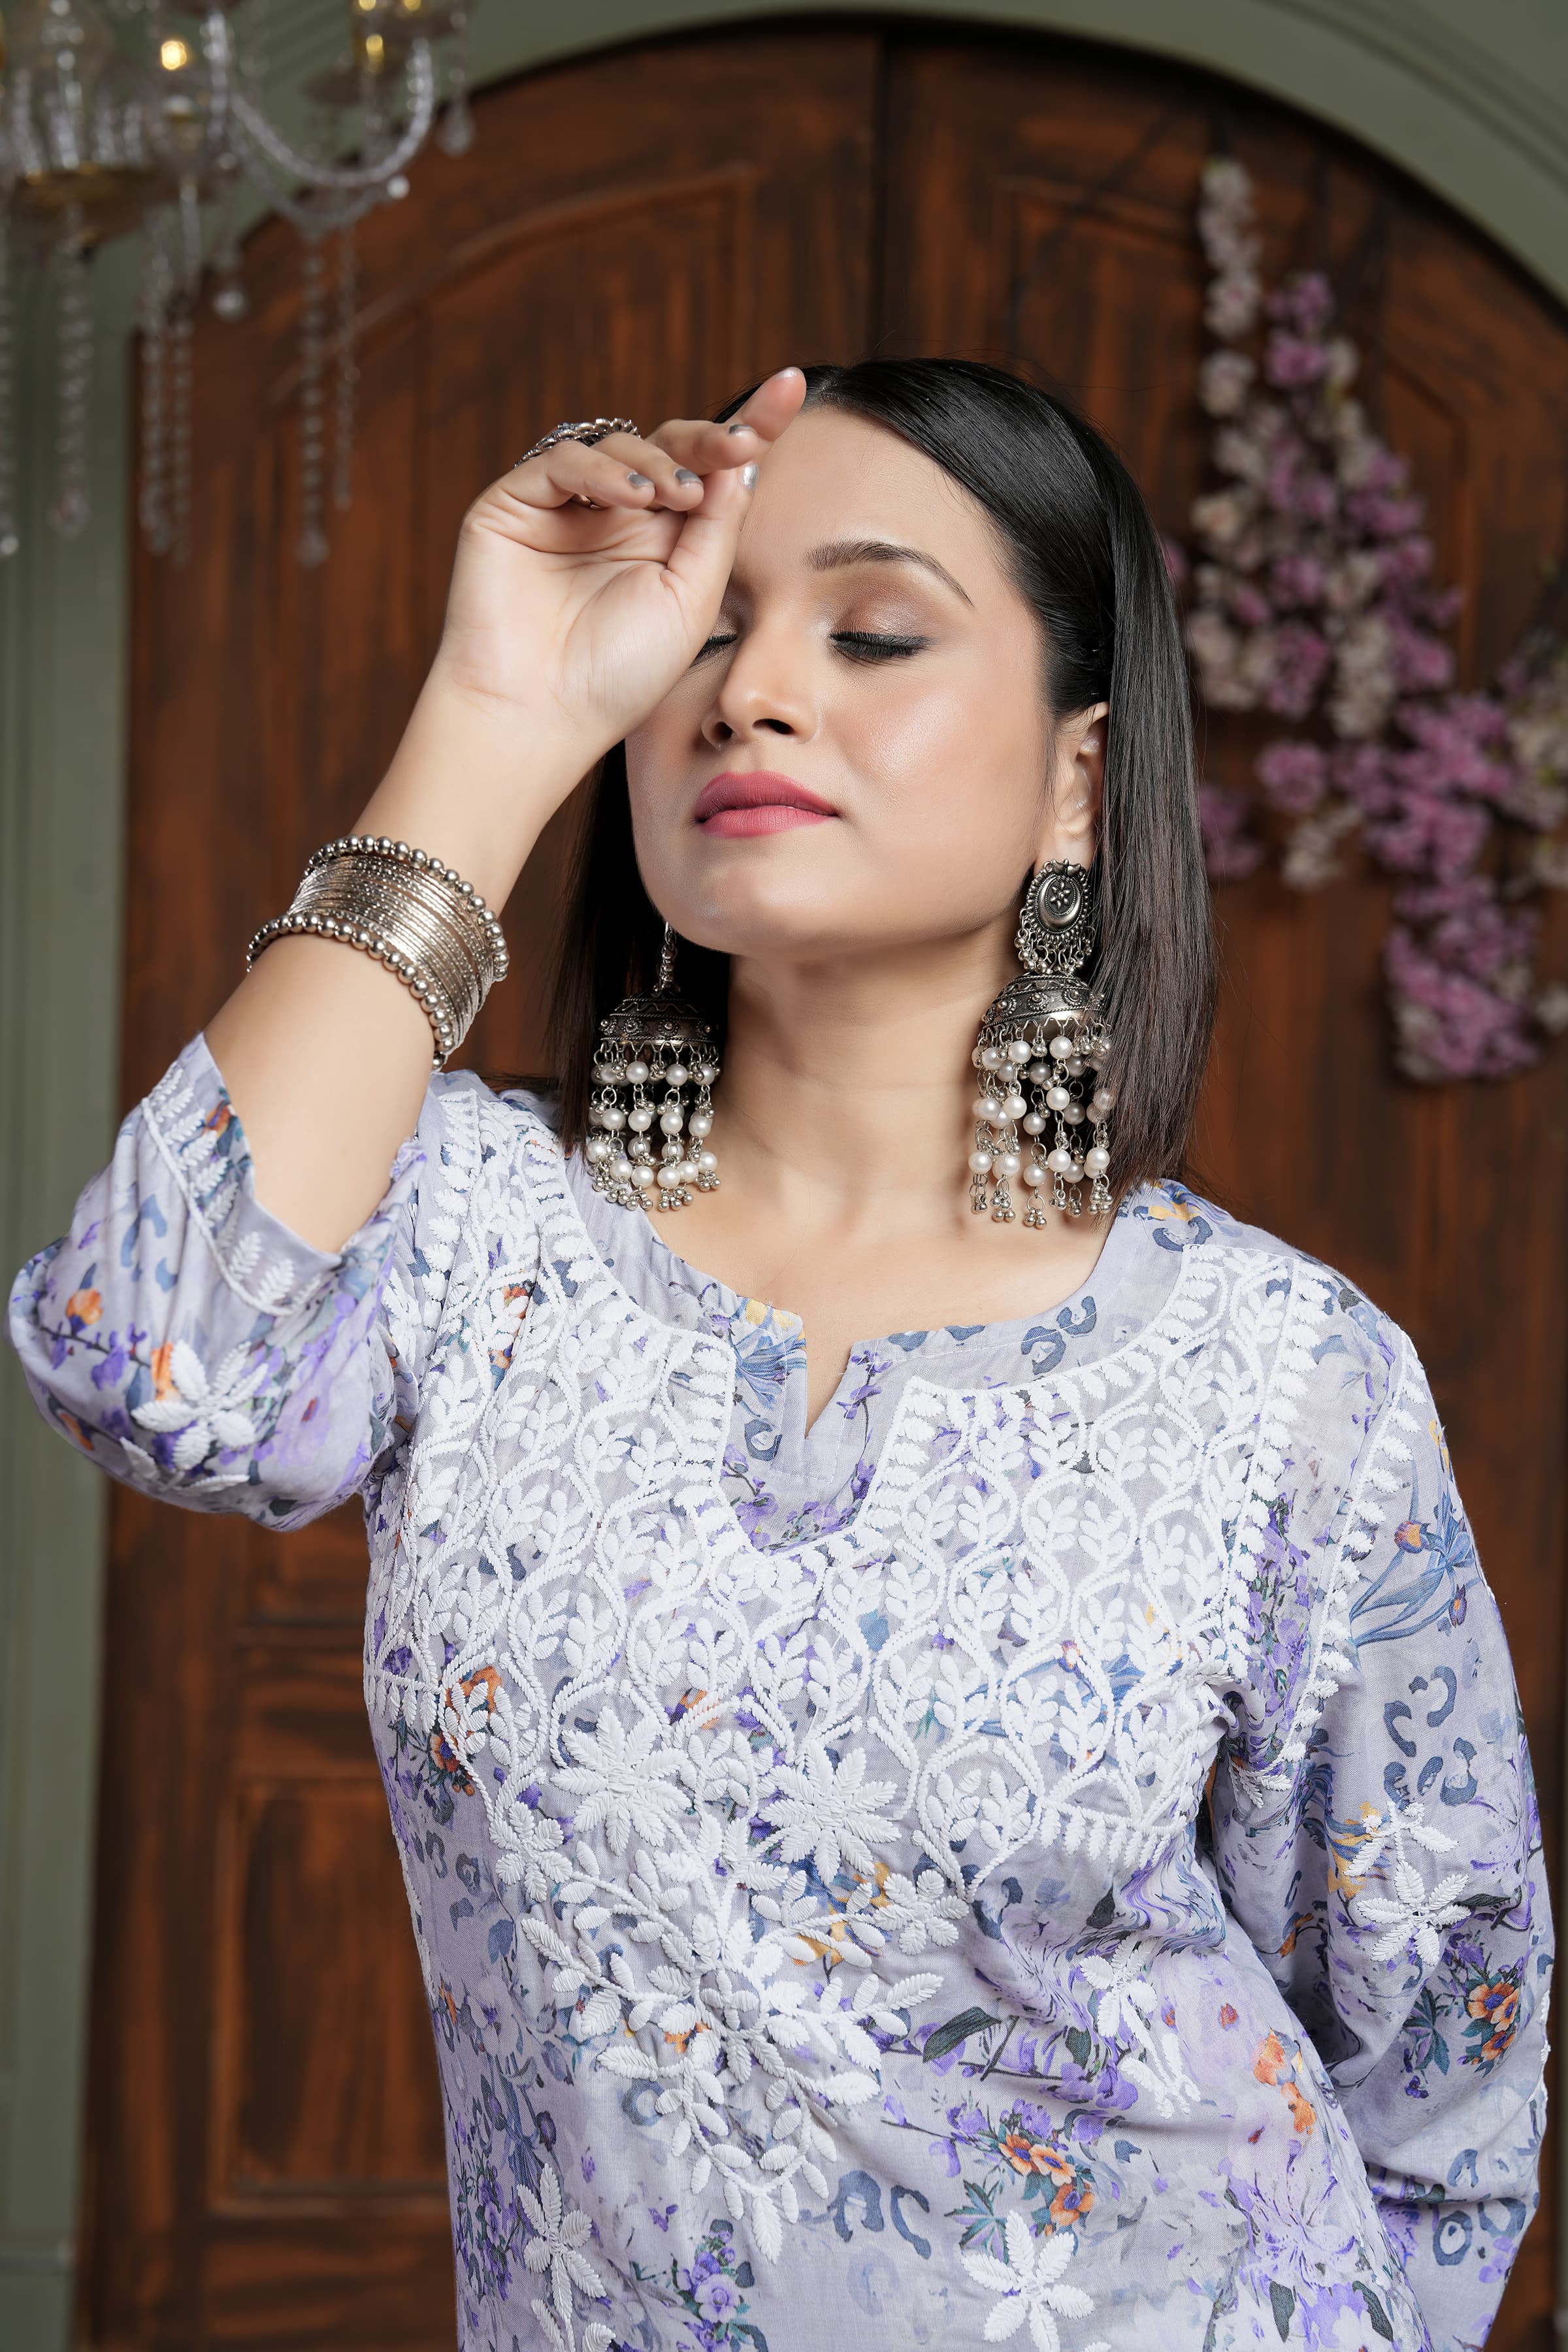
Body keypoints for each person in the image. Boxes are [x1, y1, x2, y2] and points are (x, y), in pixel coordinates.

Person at [9, 359, 1548, 2351]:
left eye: (874, 631)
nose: (749, 693)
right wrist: (494, 714)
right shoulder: (469, 1227)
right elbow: (146, 1362)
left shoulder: (1285, 1382)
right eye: (708, 635)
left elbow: (1444, 2075)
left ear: (1079, 781)